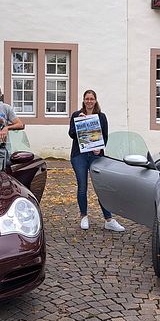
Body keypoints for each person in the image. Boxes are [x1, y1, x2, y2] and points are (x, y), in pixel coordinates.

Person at [68, 89, 125, 232]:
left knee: (101, 187)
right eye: (87, 99)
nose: (89, 101)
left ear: (95, 100)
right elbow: (71, 134)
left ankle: (108, 219)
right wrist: (78, 122)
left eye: (91, 99)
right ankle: (84, 216)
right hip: (79, 156)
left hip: (95, 155)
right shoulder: (76, 115)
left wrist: (99, 148)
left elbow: (105, 136)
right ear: (83, 100)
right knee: (82, 186)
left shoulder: (101, 116)